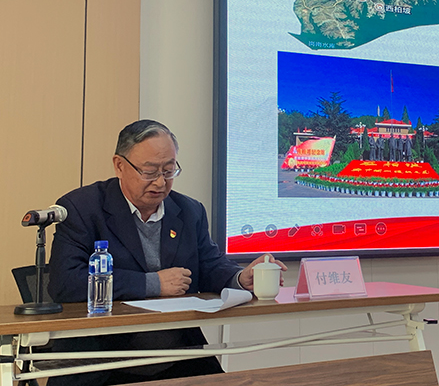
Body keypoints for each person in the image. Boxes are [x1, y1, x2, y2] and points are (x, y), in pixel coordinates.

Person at [47, 119, 287, 386]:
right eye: (149, 171)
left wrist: (241, 278)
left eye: (169, 170)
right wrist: (153, 283)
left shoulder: (189, 211)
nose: (161, 182)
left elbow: (209, 264)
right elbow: (65, 282)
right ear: (119, 165)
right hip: (101, 359)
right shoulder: (81, 208)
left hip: (177, 356)